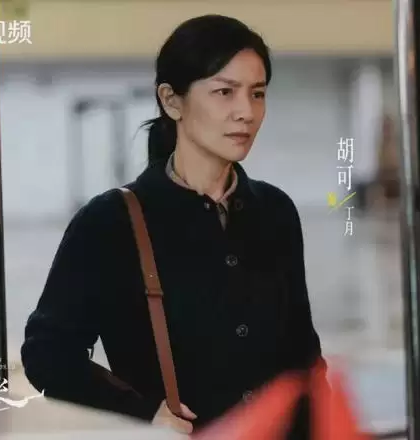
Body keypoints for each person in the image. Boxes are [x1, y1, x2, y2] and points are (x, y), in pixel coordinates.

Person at [20, 14, 324, 438]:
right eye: (224, 92)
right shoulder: (110, 222)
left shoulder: (275, 211)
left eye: (257, 94)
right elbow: (48, 354)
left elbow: (302, 352)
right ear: (172, 101)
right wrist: (142, 414)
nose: (246, 112)